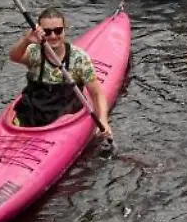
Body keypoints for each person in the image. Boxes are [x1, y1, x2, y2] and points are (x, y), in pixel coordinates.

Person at [8, 8, 112, 137]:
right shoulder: (34, 51)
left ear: (65, 30)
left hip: (64, 113)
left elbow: (97, 94)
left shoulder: (79, 59)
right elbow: (14, 57)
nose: (53, 36)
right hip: (34, 109)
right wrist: (26, 40)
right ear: (40, 32)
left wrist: (103, 120)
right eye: (47, 31)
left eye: (58, 31)